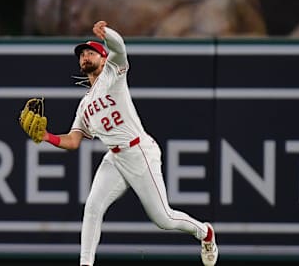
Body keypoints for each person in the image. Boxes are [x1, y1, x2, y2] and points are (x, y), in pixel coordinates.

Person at [21, 20, 218, 266]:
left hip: (139, 152)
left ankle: (205, 232)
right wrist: (46, 136)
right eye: (82, 54)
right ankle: (85, 264)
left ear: (103, 59)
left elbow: (120, 48)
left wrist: (107, 34)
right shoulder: (84, 104)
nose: (85, 56)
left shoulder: (113, 73)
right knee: (92, 207)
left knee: (163, 218)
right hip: (114, 158)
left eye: (91, 52)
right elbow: (73, 141)